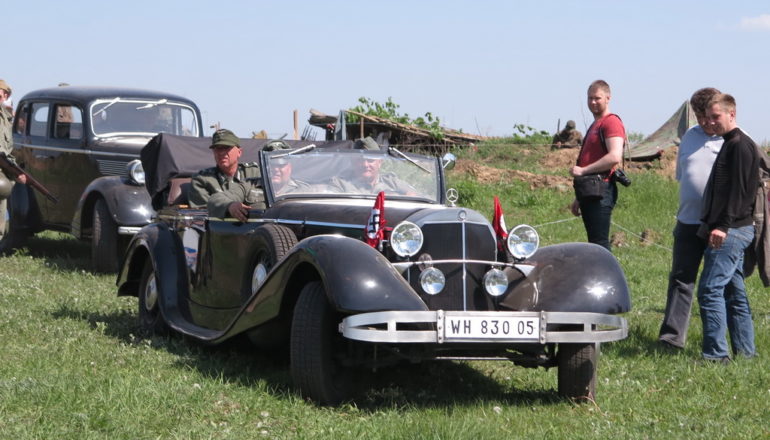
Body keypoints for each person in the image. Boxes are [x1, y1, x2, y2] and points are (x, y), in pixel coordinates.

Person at [658, 87, 723, 350]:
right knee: (681, 279)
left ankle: (719, 343)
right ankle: (671, 338)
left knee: (719, 286)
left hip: (719, 225)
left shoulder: (733, 139)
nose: (705, 122)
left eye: (709, 115)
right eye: (700, 116)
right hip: (687, 221)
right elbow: (682, 175)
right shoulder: (689, 137)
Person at [696, 93, 759, 363]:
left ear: (731, 114)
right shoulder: (729, 143)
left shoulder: (740, 146)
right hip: (733, 228)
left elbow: (740, 193)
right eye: (708, 117)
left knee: (710, 290)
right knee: (734, 293)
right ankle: (746, 353)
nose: (710, 122)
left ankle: (716, 355)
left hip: (732, 230)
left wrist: (722, 226)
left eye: (716, 117)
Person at [569, 80, 625, 251]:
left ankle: (608, 270)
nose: (593, 102)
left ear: (608, 98)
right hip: (590, 191)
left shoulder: (611, 122)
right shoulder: (596, 124)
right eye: (590, 98)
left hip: (602, 190)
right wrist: (580, 197)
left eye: (597, 98)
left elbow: (614, 156)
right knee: (595, 243)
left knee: (599, 246)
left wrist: (583, 170)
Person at [188, 129, 262, 209]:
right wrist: (228, 207)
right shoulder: (202, 180)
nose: (221, 153)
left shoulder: (255, 173)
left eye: (226, 148)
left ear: (239, 152)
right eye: (217, 148)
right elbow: (206, 211)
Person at [330, 137, 417, 196]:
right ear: (353, 161)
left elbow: (416, 196)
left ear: (379, 162)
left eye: (370, 160)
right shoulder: (340, 184)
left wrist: (395, 196)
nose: (365, 165)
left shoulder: (391, 182)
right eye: (360, 160)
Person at [0, 79, 27, 238]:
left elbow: (6, 149)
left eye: (1, 95)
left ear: (5, 96)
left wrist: (15, 171)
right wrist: (15, 172)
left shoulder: (6, 117)